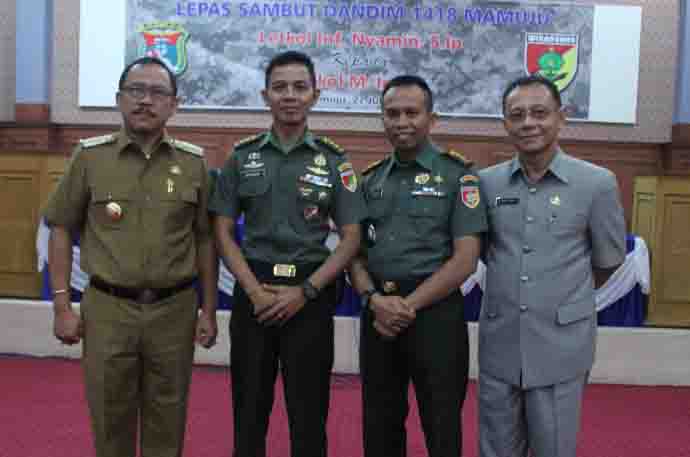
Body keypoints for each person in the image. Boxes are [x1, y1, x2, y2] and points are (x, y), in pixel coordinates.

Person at [43, 56, 218, 457]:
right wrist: (61, 307)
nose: (145, 100)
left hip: (174, 312)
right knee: (110, 420)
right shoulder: (90, 157)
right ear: (119, 98)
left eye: (157, 92)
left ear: (174, 104)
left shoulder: (193, 164)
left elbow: (205, 239)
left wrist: (208, 311)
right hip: (108, 311)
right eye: (136, 91)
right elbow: (60, 226)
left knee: (168, 422)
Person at [209, 50, 366, 457]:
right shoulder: (242, 157)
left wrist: (307, 291)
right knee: (248, 411)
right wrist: (254, 292)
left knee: (309, 414)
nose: (290, 95)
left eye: (300, 87)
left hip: (310, 296)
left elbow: (351, 236)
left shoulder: (334, 161)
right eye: (280, 87)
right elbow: (222, 231)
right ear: (266, 96)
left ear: (316, 95)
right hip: (254, 293)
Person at [478, 75, 626, 457]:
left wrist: (558, 295)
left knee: (554, 448)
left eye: (540, 113)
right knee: (494, 448)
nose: (528, 123)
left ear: (562, 117)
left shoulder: (596, 183)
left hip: (561, 344)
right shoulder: (485, 184)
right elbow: (484, 251)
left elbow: (608, 260)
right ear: (505, 124)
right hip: (500, 340)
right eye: (517, 115)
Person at [349, 75, 488, 457]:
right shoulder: (370, 180)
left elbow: (465, 260)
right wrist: (374, 300)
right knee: (379, 425)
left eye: (412, 112)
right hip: (378, 313)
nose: (401, 122)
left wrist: (405, 307)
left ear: (432, 118)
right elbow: (354, 255)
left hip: (435, 316)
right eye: (392, 113)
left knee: (441, 426)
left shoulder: (459, 175)